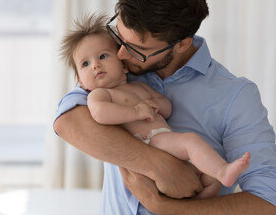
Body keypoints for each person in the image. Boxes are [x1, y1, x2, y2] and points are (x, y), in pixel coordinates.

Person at [54, 0, 276, 214]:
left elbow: (267, 205)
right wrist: (157, 165)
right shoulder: (112, 68)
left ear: (182, 44)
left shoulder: (236, 97)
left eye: (138, 49)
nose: (122, 54)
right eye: (119, 37)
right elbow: (68, 121)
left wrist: (166, 207)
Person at [59, 13, 250, 199]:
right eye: (85, 63)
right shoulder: (100, 95)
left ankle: (199, 199)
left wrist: (157, 105)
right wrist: (135, 112)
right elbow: (100, 114)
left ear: (123, 64)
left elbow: (167, 108)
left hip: (164, 140)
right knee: (191, 140)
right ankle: (223, 170)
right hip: (148, 142)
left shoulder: (140, 86)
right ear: (80, 82)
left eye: (103, 56)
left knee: (211, 180)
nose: (95, 66)